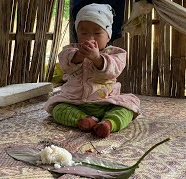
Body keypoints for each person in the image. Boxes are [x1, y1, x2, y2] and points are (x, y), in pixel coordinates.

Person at [44, 3, 140, 138]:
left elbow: (113, 70)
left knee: (128, 108)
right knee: (57, 108)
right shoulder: (71, 50)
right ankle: (84, 119)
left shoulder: (116, 53)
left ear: (108, 36)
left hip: (107, 102)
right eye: (84, 32)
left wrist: (97, 58)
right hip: (75, 102)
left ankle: (108, 123)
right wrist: (79, 55)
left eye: (97, 33)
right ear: (77, 34)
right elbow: (66, 64)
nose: (90, 38)